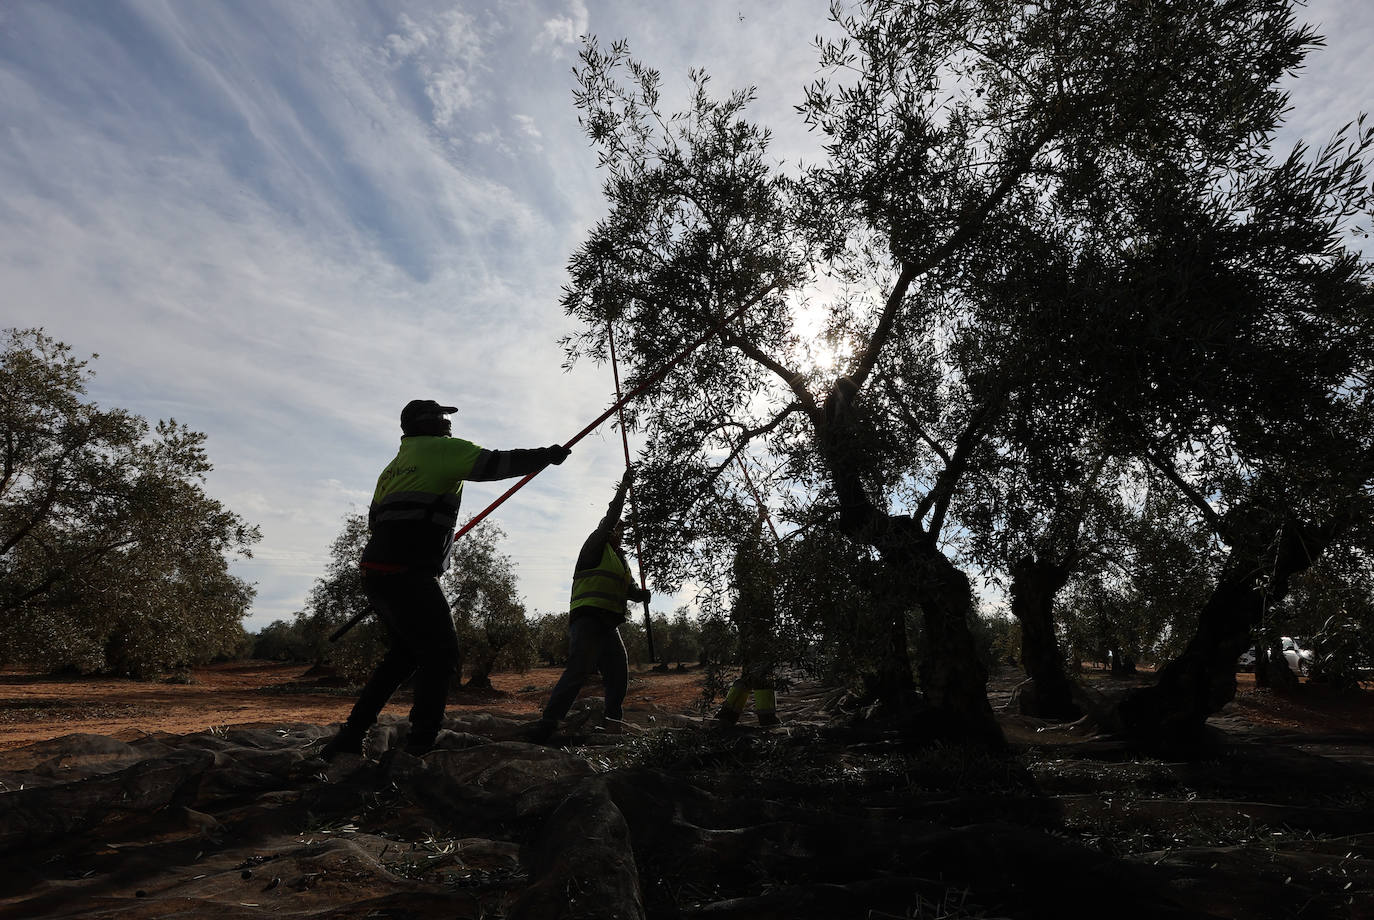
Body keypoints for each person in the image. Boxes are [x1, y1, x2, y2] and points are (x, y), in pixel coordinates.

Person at [321, 399, 570, 760]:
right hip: (409, 574)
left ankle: (350, 735)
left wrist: (429, 526)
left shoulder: (391, 469)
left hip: (376, 574)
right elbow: (497, 464)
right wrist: (546, 454)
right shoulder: (442, 449)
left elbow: (376, 522)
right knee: (442, 657)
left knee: (403, 657)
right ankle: (420, 745)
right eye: (443, 417)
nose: (448, 424)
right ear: (429, 423)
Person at [529, 476, 649, 743]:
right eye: (616, 528)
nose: (620, 532)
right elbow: (611, 515)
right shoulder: (595, 544)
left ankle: (612, 723)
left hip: (608, 624)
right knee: (578, 671)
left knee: (619, 673)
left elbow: (629, 590)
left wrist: (641, 596)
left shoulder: (620, 559)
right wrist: (623, 490)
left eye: (622, 530)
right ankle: (548, 723)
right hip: (587, 619)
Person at [715, 509, 781, 727]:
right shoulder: (745, 566)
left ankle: (728, 714)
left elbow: (779, 574)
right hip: (753, 623)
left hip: (760, 623)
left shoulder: (761, 571)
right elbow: (752, 542)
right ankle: (766, 718)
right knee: (761, 670)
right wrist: (760, 521)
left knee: (751, 671)